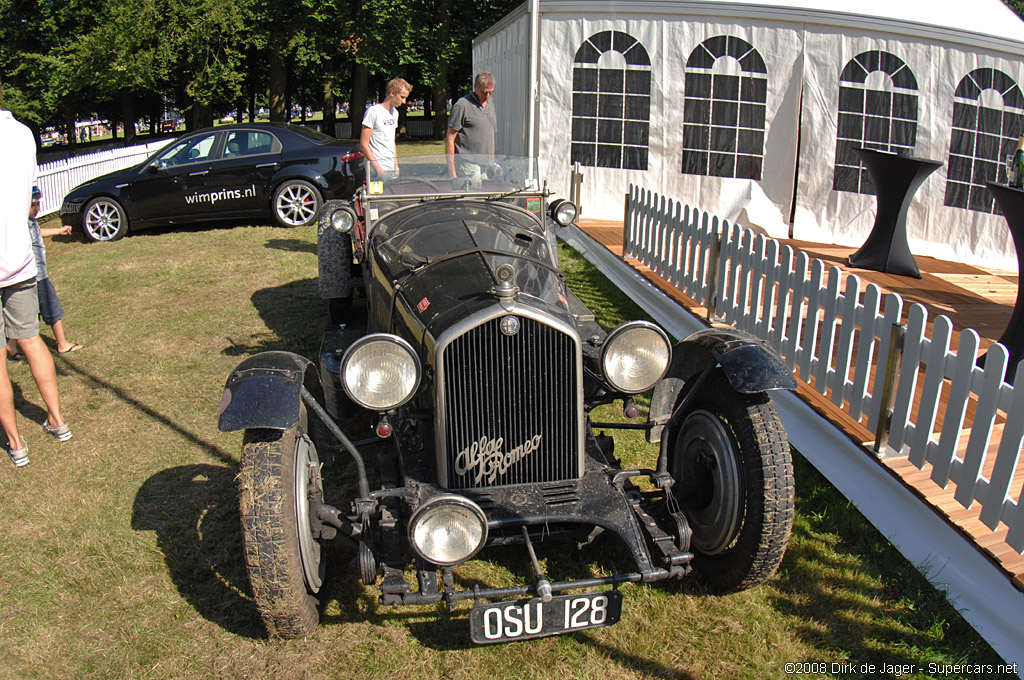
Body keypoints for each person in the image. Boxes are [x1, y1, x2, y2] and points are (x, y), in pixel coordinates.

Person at [1, 108, 72, 468]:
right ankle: (58, 421)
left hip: (14, 259)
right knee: (30, 339)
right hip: (18, 259)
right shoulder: (21, 133)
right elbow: (31, 198)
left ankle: (16, 444)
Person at [6, 185, 82, 360]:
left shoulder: (29, 222)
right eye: (35, 205)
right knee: (51, 308)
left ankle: (11, 344)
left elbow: (37, 233)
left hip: (33, 276)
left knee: (25, 312)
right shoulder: (19, 224)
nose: (38, 209)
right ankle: (62, 344)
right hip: (36, 276)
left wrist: (58, 230)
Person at [445, 72, 497, 181]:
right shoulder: (462, 105)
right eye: (484, 92)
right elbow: (450, 137)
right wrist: (452, 172)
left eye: (490, 93)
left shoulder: (490, 103)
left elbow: (490, 134)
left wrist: (492, 161)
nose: (487, 96)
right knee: (474, 196)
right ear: (475, 87)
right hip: (468, 162)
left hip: (486, 165)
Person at [360, 77, 412, 178]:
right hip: (376, 169)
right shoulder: (373, 112)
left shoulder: (394, 113)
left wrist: (396, 166)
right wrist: (378, 168)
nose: (404, 101)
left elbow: (392, 141)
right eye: (402, 97)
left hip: (391, 167)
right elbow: (364, 144)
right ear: (392, 93)